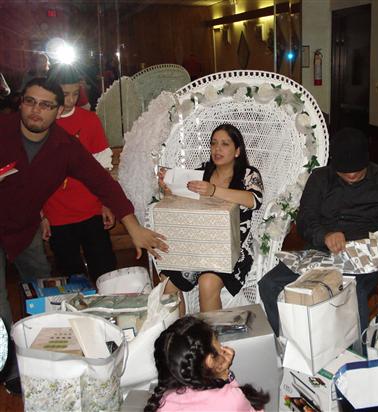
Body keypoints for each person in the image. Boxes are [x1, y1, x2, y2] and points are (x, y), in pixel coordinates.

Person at [0, 77, 168, 392]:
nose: (36, 110)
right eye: (30, 101)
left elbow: (104, 185)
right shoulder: (3, 130)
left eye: (46, 105)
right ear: (21, 103)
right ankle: (8, 366)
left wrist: (133, 228)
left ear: (58, 110)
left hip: (24, 231)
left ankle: (45, 354)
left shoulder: (64, 147)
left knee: (45, 291)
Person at [259, 128, 378, 337]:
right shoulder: (320, 178)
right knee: (269, 284)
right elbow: (305, 220)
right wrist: (324, 235)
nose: (352, 175)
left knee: (352, 292)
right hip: (319, 252)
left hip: (364, 258)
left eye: (357, 170)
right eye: (344, 172)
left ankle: (356, 351)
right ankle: (285, 342)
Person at [160, 124, 264, 314]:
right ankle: (181, 329)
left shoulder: (248, 174)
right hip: (198, 245)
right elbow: (183, 199)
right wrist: (169, 191)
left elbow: (254, 200)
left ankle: (211, 334)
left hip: (233, 249)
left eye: (225, 144)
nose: (217, 149)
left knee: (207, 281)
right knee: (167, 281)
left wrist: (213, 190)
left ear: (237, 150)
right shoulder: (201, 172)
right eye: (214, 143)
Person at [40, 66, 116, 282]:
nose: (71, 100)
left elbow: (102, 168)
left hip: (91, 208)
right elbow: (35, 177)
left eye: (76, 93)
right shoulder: (41, 123)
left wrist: (106, 203)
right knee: (72, 278)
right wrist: (41, 215)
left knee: (106, 272)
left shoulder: (90, 120)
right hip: (56, 213)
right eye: (65, 94)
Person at [145, 316, 269, 412]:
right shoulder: (231, 400)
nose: (222, 347)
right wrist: (226, 375)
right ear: (209, 361)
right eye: (218, 343)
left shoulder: (165, 401)